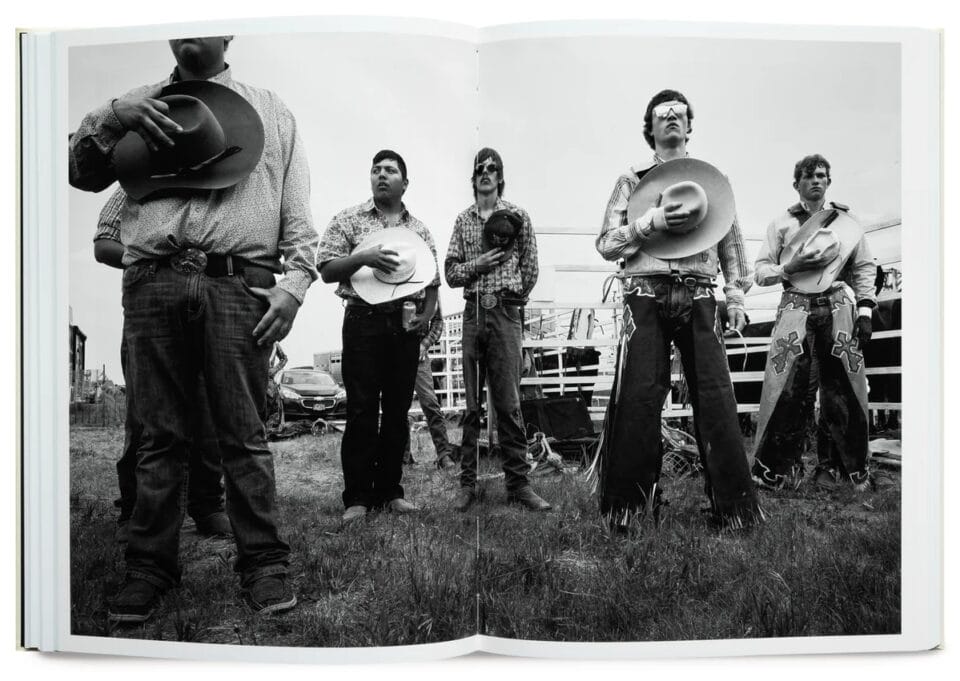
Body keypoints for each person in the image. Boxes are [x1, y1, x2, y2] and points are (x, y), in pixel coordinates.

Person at [69, 36, 318, 621]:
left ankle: (263, 562)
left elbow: (298, 210)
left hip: (239, 285)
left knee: (243, 433)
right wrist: (113, 115)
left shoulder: (272, 111)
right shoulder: (139, 102)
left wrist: (295, 286)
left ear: (228, 31)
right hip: (152, 281)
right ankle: (149, 568)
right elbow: (78, 171)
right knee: (157, 436)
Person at [594, 89, 761, 530]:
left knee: (716, 396)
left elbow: (732, 240)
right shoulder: (631, 181)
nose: (671, 119)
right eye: (662, 115)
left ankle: (736, 511)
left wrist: (737, 295)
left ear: (689, 126)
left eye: (679, 115)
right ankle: (627, 512)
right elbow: (607, 243)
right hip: (644, 291)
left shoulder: (712, 181)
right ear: (649, 127)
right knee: (637, 399)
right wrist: (650, 223)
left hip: (702, 291)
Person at [95, 188, 230, 543]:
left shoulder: (218, 185)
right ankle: (134, 508)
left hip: (207, 308)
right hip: (151, 306)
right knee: (145, 415)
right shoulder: (135, 182)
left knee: (206, 414)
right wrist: (157, 260)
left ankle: (207, 506)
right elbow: (104, 242)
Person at [317, 150, 440, 523]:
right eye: (376, 170)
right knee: (361, 410)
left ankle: (390, 492)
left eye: (390, 170)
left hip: (402, 327)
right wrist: (364, 257)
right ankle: (357, 497)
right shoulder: (349, 219)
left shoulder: (418, 229)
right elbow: (325, 268)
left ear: (405, 181)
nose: (381, 175)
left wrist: (424, 317)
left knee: (398, 412)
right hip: (362, 322)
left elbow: (433, 281)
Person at [751, 154, 876, 491]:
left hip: (837, 305)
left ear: (828, 181)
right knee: (789, 389)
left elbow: (864, 265)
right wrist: (786, 269)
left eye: (821, 175)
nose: (816, 181)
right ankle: (779, 470)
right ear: (797, 184)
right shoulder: (781, 225)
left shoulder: (845, 223)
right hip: (795, 306)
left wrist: (865, 309)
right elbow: (761, 271)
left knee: (841, 389)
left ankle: (835, 468)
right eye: (808, 176)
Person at [445, 147, 551, 512]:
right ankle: (467, 485)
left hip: (505, 313)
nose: (486, 173)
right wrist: (478, 263)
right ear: (473, 178)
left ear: (500, 177)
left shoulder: (517, 216)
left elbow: (531, 267)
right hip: (473, 313)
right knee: (472, 406)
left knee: (508, 403)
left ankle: (519, 485)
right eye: (480, 169)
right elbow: (451, 272)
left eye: (493, 169)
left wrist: (513, 301)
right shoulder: (463, 221)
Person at [403, 302, 458, 470]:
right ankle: (403, 457)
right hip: (395, 351)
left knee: (430, 402)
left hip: (419, 352)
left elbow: (437, 321)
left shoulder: (428, 284)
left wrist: (424, 345)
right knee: (397, 405)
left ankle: (444, 455)